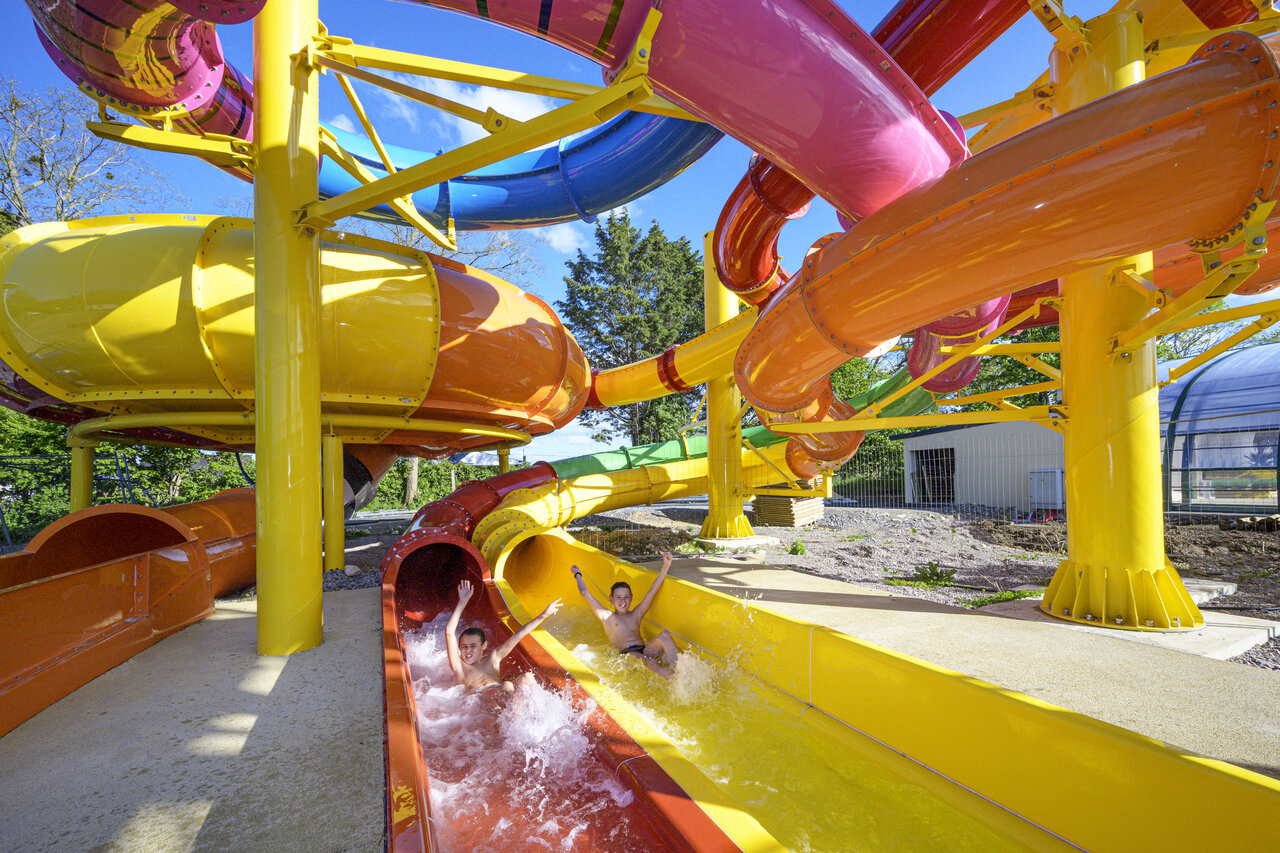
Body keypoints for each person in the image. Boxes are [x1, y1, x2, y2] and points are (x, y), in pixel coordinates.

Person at [570, 552, 679, 678]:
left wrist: (665, 566)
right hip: (628, 655)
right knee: (650, 661)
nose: (622, 601)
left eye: (626, 597)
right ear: (611, 599)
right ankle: (671, 677)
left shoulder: (636, 614)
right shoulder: (608, 617)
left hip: (644, 650)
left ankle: (679, 669)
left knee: (665, 636)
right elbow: (585, 593)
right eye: (618, 598)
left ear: (631, 598)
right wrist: (577, 574)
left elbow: (652, 591)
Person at [445, 579, 561, 693]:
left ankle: (521, 711)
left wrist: (543, 615)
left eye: (472, 646)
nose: (468, 650)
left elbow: (519, 634)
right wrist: (462, 602)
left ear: (483, 646)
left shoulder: (493, 658)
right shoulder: (460, 666)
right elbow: (449, 632)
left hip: (502, 693)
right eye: (464, 646)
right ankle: (509, 709)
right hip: (480, 698)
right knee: (507, 685)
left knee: (528, 677)